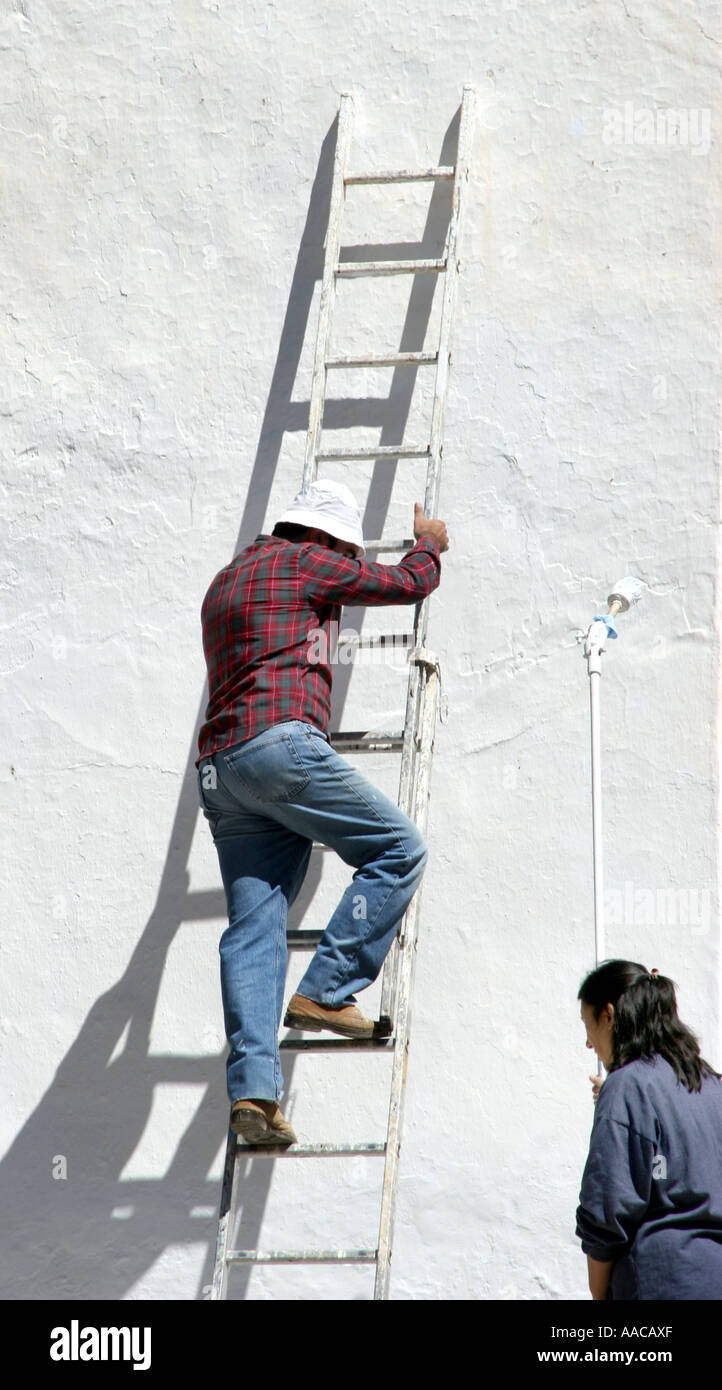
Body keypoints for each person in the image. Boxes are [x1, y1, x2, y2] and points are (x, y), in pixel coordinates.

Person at [195, 479, 448, 1146]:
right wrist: (428, 547)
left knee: (253, 929)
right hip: (278, 748)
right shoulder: (306, 560)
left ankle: (253, 1094)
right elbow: (403, 585)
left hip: (221, 773)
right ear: (328, 538)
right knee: (399, 849)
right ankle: (328, 989)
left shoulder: (224, 580)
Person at [575, 958, 722, 1300]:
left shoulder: (627, 1086)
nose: (588, 1043)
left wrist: (599, 1294)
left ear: (609, 1015)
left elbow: (607, 1208)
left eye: (588, 1026)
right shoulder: (712, 1085)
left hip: (662, 1281)